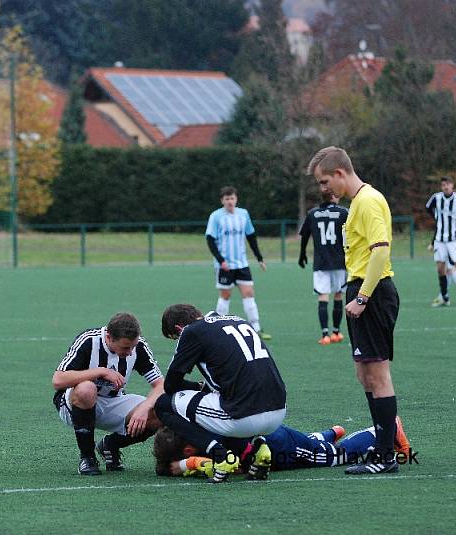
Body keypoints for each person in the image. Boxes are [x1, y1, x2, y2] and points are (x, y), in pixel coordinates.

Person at [307, 146, 400, 475]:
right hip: (361, 291)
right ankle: (382, 446)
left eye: (324, 181)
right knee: (365, 375)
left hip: (372, 294)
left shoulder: (368, 201)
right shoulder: (356, 204)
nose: (323, 189)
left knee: (377, 375)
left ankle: (387, 455)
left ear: (339, 173)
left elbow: (380, 252)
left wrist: (362, 297)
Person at [154, 304, 286, 483]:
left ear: (179, 328)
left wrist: (196, 387)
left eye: (175, 337)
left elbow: (171, 385)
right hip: (279, 411)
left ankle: (219, 455)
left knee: (163, 405)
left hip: (243, 416)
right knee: (214, 402)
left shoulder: (191, 331)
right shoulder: (237, 319)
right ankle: (259, 448)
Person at [52, 312, 164, 476]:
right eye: (126, 347)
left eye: (133, 346)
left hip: (113, 401)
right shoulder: (89, 340)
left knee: (160, 410)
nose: (131, 352)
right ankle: (87, 458)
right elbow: (58, 380)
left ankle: (109, 445)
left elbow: (161, 384)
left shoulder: (138, 346)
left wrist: (145, 408)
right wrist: (100, 371)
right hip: (73, 403)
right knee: (86, 389)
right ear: (109, 337)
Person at [153, 417, 410, 478]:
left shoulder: (202, 452)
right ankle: (329, 433)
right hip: (269, 437)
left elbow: (225, 466)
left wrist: (188, 465)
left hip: (277, 445)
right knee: (308, 448)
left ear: (187, 451)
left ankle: (384, 429)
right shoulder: (199, 433)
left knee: (333, 457)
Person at [205, 186, 271, 340]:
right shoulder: (216, 216)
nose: (230, 201)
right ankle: (219, 330)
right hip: (225, 265)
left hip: (242, 263)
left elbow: (251, 236)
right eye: (227, 199)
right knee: (225, 294)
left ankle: (256, 328)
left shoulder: (243, 214)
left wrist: (259, 258)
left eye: (232, 198)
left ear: (236, 199)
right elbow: (210, 239)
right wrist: (221, 261)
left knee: (249, 293)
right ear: (222, 201)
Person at [298, 191, 349, 345]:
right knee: (339, 294)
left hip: (321, 263)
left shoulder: (313, 213)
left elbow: (305, 235)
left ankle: (325, 335)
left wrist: (302, 254)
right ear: (334, 197)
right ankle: (336, 332)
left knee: (323, 296)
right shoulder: (343, 212)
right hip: (340, 261)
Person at [426, 178, 456, 307]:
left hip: (454, 240)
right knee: (440, 269)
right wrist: (437, 218)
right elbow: (428, 208)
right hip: (439, 240)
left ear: (452, 186)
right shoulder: (436, 198)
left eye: (448, 184)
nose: (445, 187)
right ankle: (444, 297)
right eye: (443, 185)